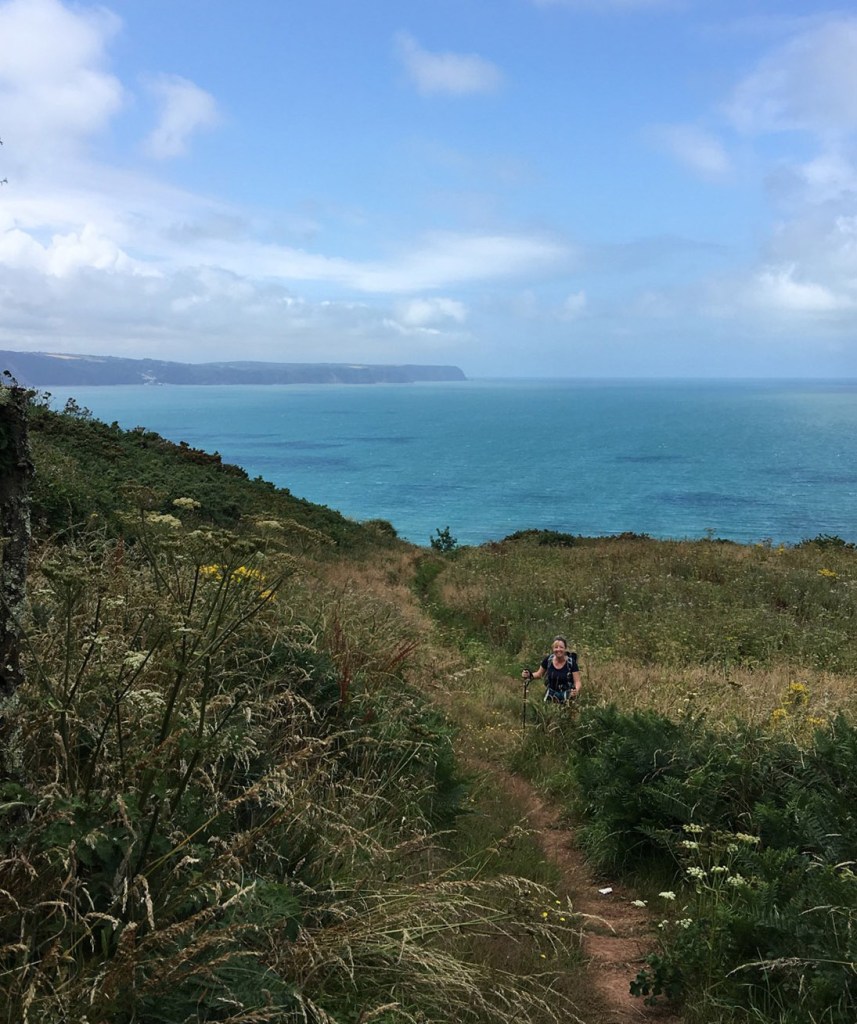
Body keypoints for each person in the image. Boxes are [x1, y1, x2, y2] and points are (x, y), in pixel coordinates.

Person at [522, 635, 581, 703]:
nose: (558, 649)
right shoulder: (548, 660)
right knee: (546, 712)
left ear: (565, 649)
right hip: (551, 694)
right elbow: (539, 674)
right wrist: (529, 675)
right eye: (556, 647)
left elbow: (577, 681)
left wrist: (575, 691)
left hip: (567, 694)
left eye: (561, 647)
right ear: (553, 649)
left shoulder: (571, 663)